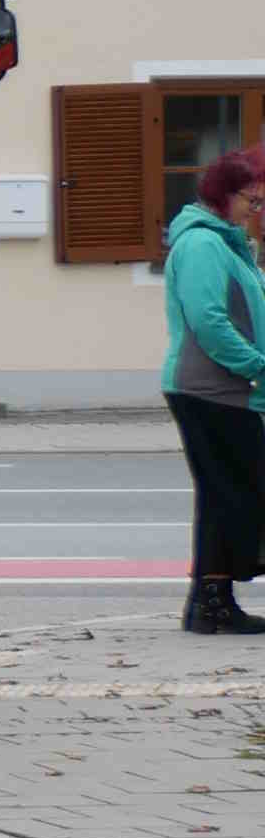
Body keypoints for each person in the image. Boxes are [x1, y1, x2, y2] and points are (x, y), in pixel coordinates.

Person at [164, 147, 265, 636]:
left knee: (226, 493)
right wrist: (257, 365)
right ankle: (211, 603)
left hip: (224, 389)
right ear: (224, 195)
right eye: (252, 200)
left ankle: (211, 603)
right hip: (209, 388)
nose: (256, 209)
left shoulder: (225, 242)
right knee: (236, 492)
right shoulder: (202, 244)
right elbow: (208, 319)